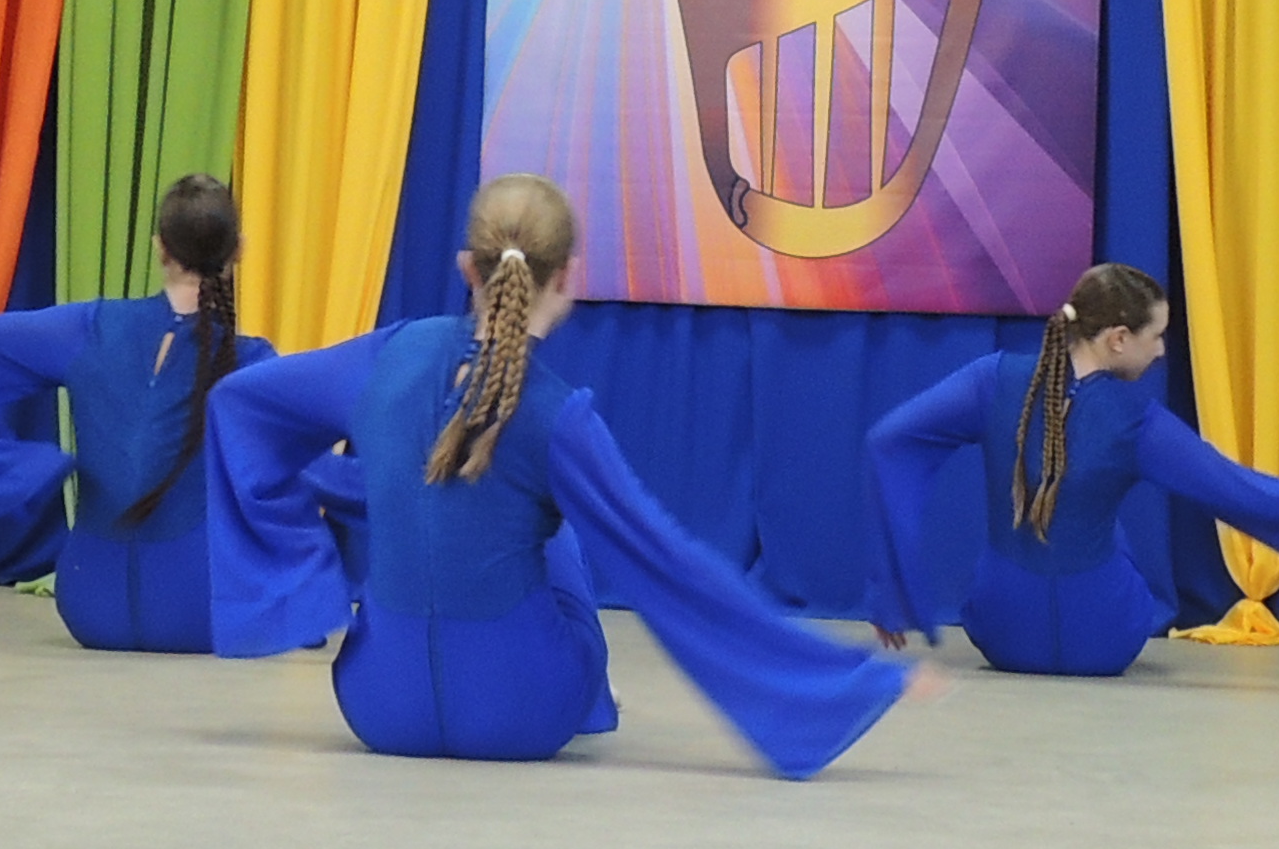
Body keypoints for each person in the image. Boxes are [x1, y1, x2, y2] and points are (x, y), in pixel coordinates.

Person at [204, 173, 916, 775]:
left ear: (467, 269)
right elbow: (668, 567)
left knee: (442, 502)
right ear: (569, 277)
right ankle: (589, 694)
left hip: (375, 707)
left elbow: (239, 405)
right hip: (522, 714)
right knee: (558, 538)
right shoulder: (559, 418)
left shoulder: (385, 356)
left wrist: (317, 556)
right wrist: (845, 679)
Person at [862, 264, 1279, 673]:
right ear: (1117, 339)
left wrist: (892, 590)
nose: (1160, 351)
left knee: (1065, 516)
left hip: (1001, 635)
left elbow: (890, 441)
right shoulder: (1139, 421)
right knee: (1110, 532)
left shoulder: (990, 379)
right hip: (1102, 644)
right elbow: (1263, 502)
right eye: (1156, 337)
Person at [0, 173, 271, 651]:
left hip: (89, 607)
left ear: (159, 248)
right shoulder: (253, 362)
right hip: (199, 611)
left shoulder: (92, 327)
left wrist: (29, 465)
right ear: (239, 251)